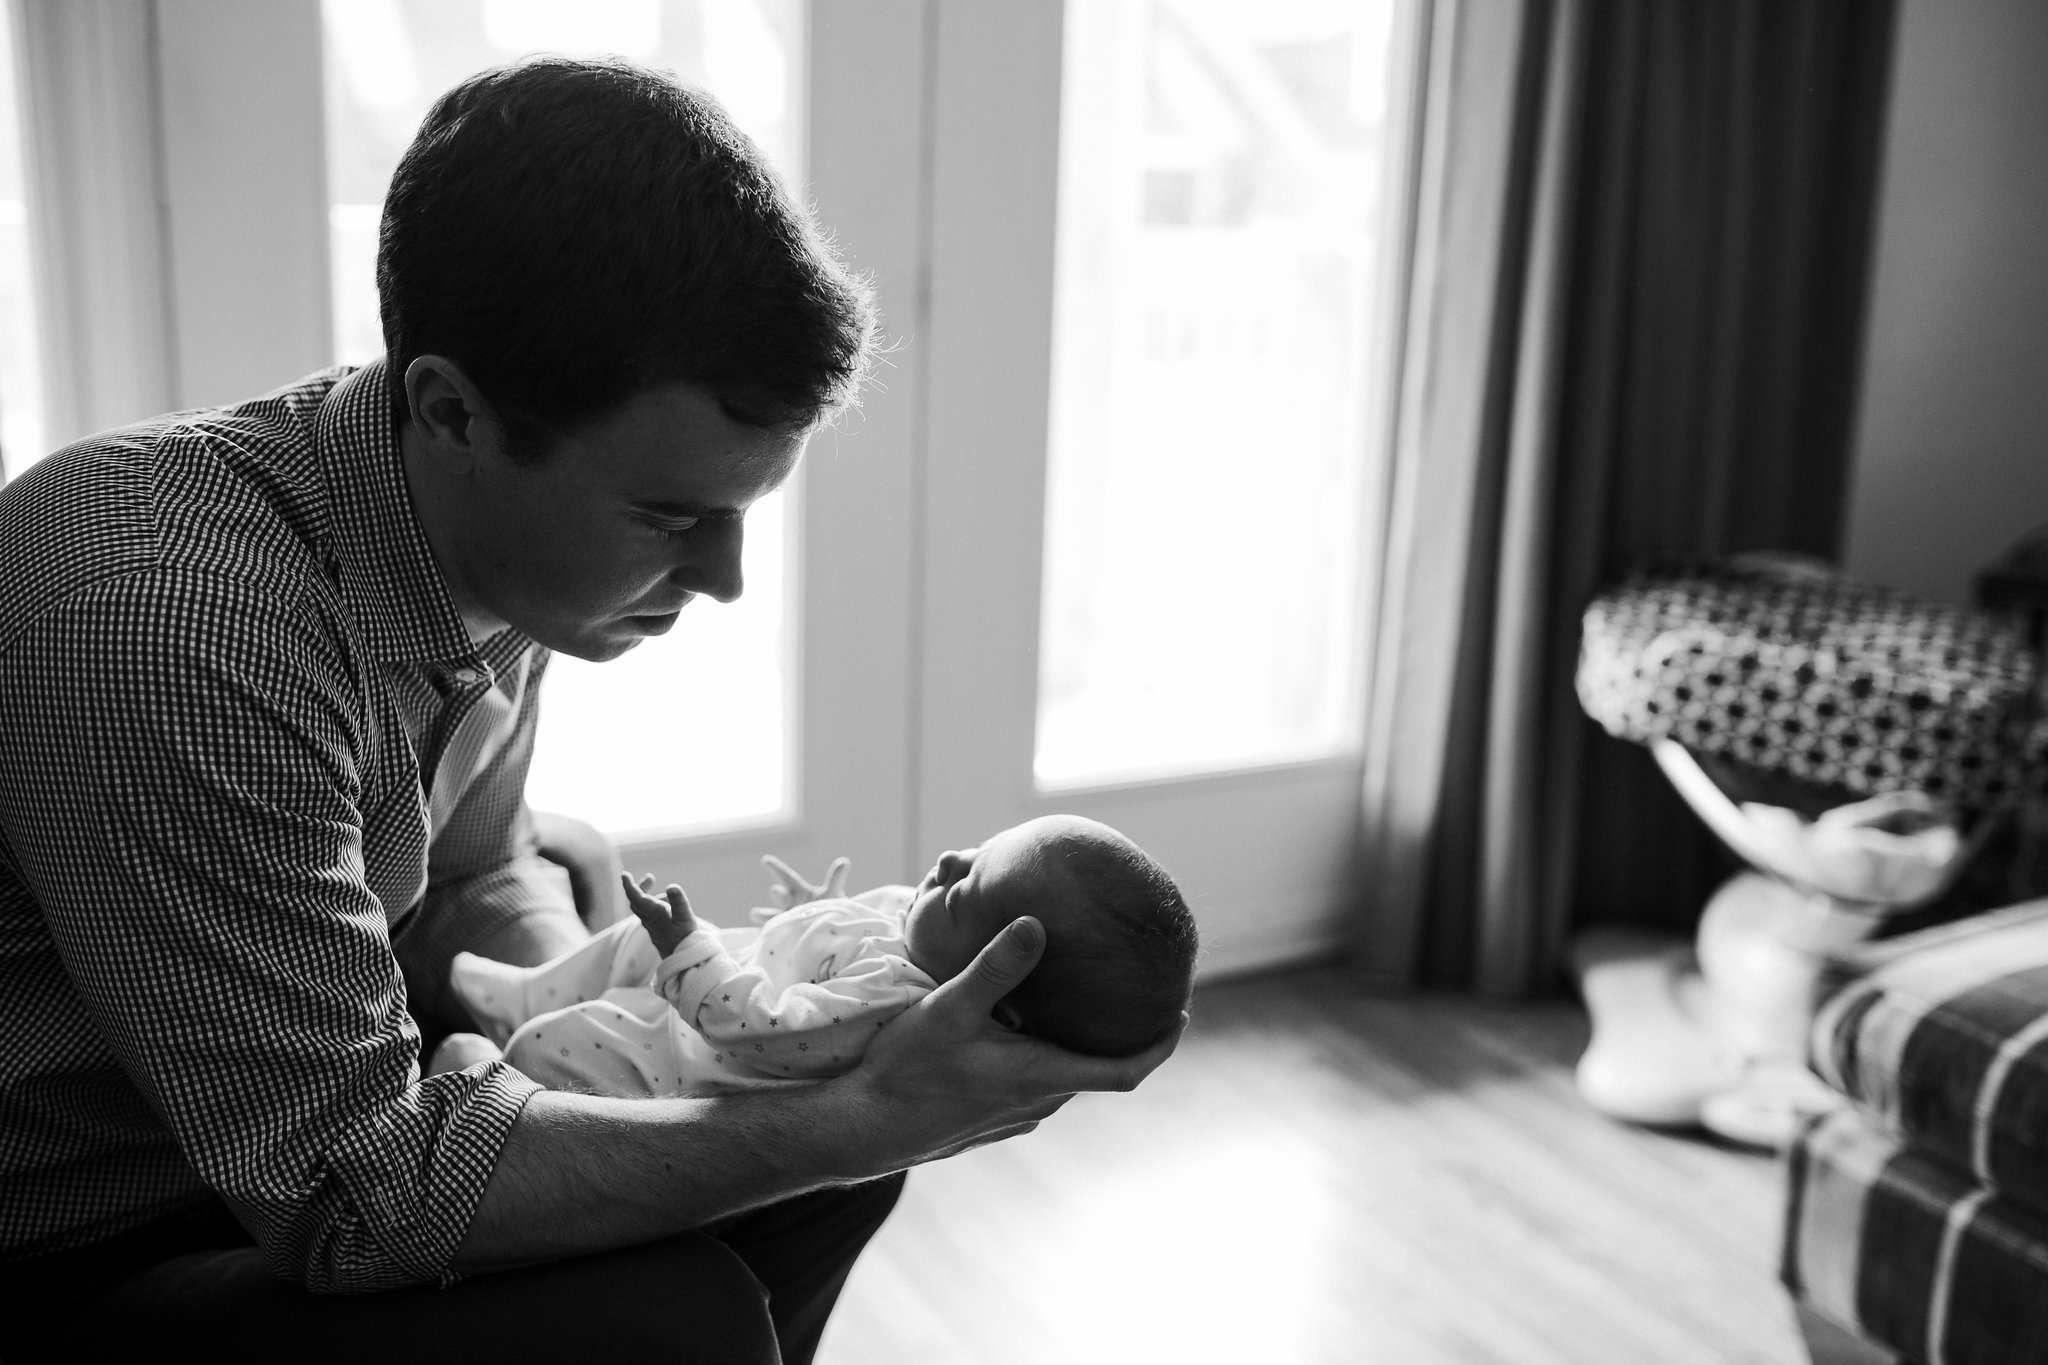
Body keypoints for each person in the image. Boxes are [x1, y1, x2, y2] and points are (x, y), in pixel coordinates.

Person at [0, 58, 1180, 1364]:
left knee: (799, 1112)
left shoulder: (477, 542)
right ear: (452, 409)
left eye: (742, 512)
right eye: (673, 516)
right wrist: (870, 1114)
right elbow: (349, 1198)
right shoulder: (169, 627)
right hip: (78, 1238)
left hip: (260, 1135)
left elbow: (475, 870)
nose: (726, 580)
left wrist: (623, 1034)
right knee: (695, 1291)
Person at [441, 815, 1199, 1096]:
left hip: (678, 1056)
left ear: (996, 997)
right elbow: (821, 951)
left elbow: (760, 1025)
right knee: (632, 942)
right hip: (711, 989)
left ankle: (490, 1069)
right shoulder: (921, 928)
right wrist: (808, 915)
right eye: (975, 849)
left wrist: (689, 949)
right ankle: (522, 992)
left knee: (581, 1036)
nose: (945, 861)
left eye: (967, 888)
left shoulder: (891, 1000)